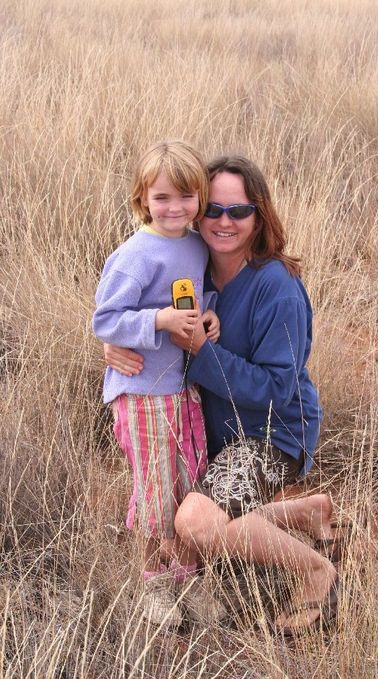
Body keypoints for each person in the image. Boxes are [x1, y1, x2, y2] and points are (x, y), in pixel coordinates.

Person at [104, 155, 340, 634]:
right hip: (212, 431)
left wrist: (200, 352)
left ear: (260, 215)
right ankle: (304, 512)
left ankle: (318, 571)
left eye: (239, 211)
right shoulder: (192, 265)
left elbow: (277, 388)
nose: (224, 222)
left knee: (194, 523)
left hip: (272, 434)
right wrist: (117, 340)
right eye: (213, 209)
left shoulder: (279, 287)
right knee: (195, 517)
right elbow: (135, 312)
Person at [92, 140, 222, 628]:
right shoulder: (135, 254)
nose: (175, 208)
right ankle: (153, 582)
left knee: (188, 481)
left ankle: (187, 574)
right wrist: (160, 321)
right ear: (142, 197)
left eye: (186, 198)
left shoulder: (192, 243)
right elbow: (105, 320)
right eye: (162, 197)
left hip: (182, 388)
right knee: (156, 490)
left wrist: (207, 312)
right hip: (143, 391)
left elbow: (194, 291)